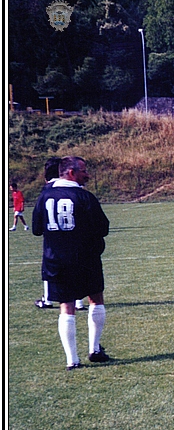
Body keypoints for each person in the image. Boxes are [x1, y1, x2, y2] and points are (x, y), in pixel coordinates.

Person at [31, 157, 112, 369]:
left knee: (66, 307)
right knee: (96, 299)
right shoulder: (84, 196)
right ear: (70, 173)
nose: (87, 174)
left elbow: (37, 229)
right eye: (83, 171)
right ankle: (94, 349)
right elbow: (103, 228)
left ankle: (72, 360)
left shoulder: (44, 195)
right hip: (85, 258)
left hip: (55, 260)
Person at [34, 157, 83, 311]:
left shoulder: (48, 189)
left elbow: (38, 223)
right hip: (75, 235)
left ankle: (48, 299)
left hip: (54, 236)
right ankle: (79, 301)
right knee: (78, 265)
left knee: (50, 268)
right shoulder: (74, 187)